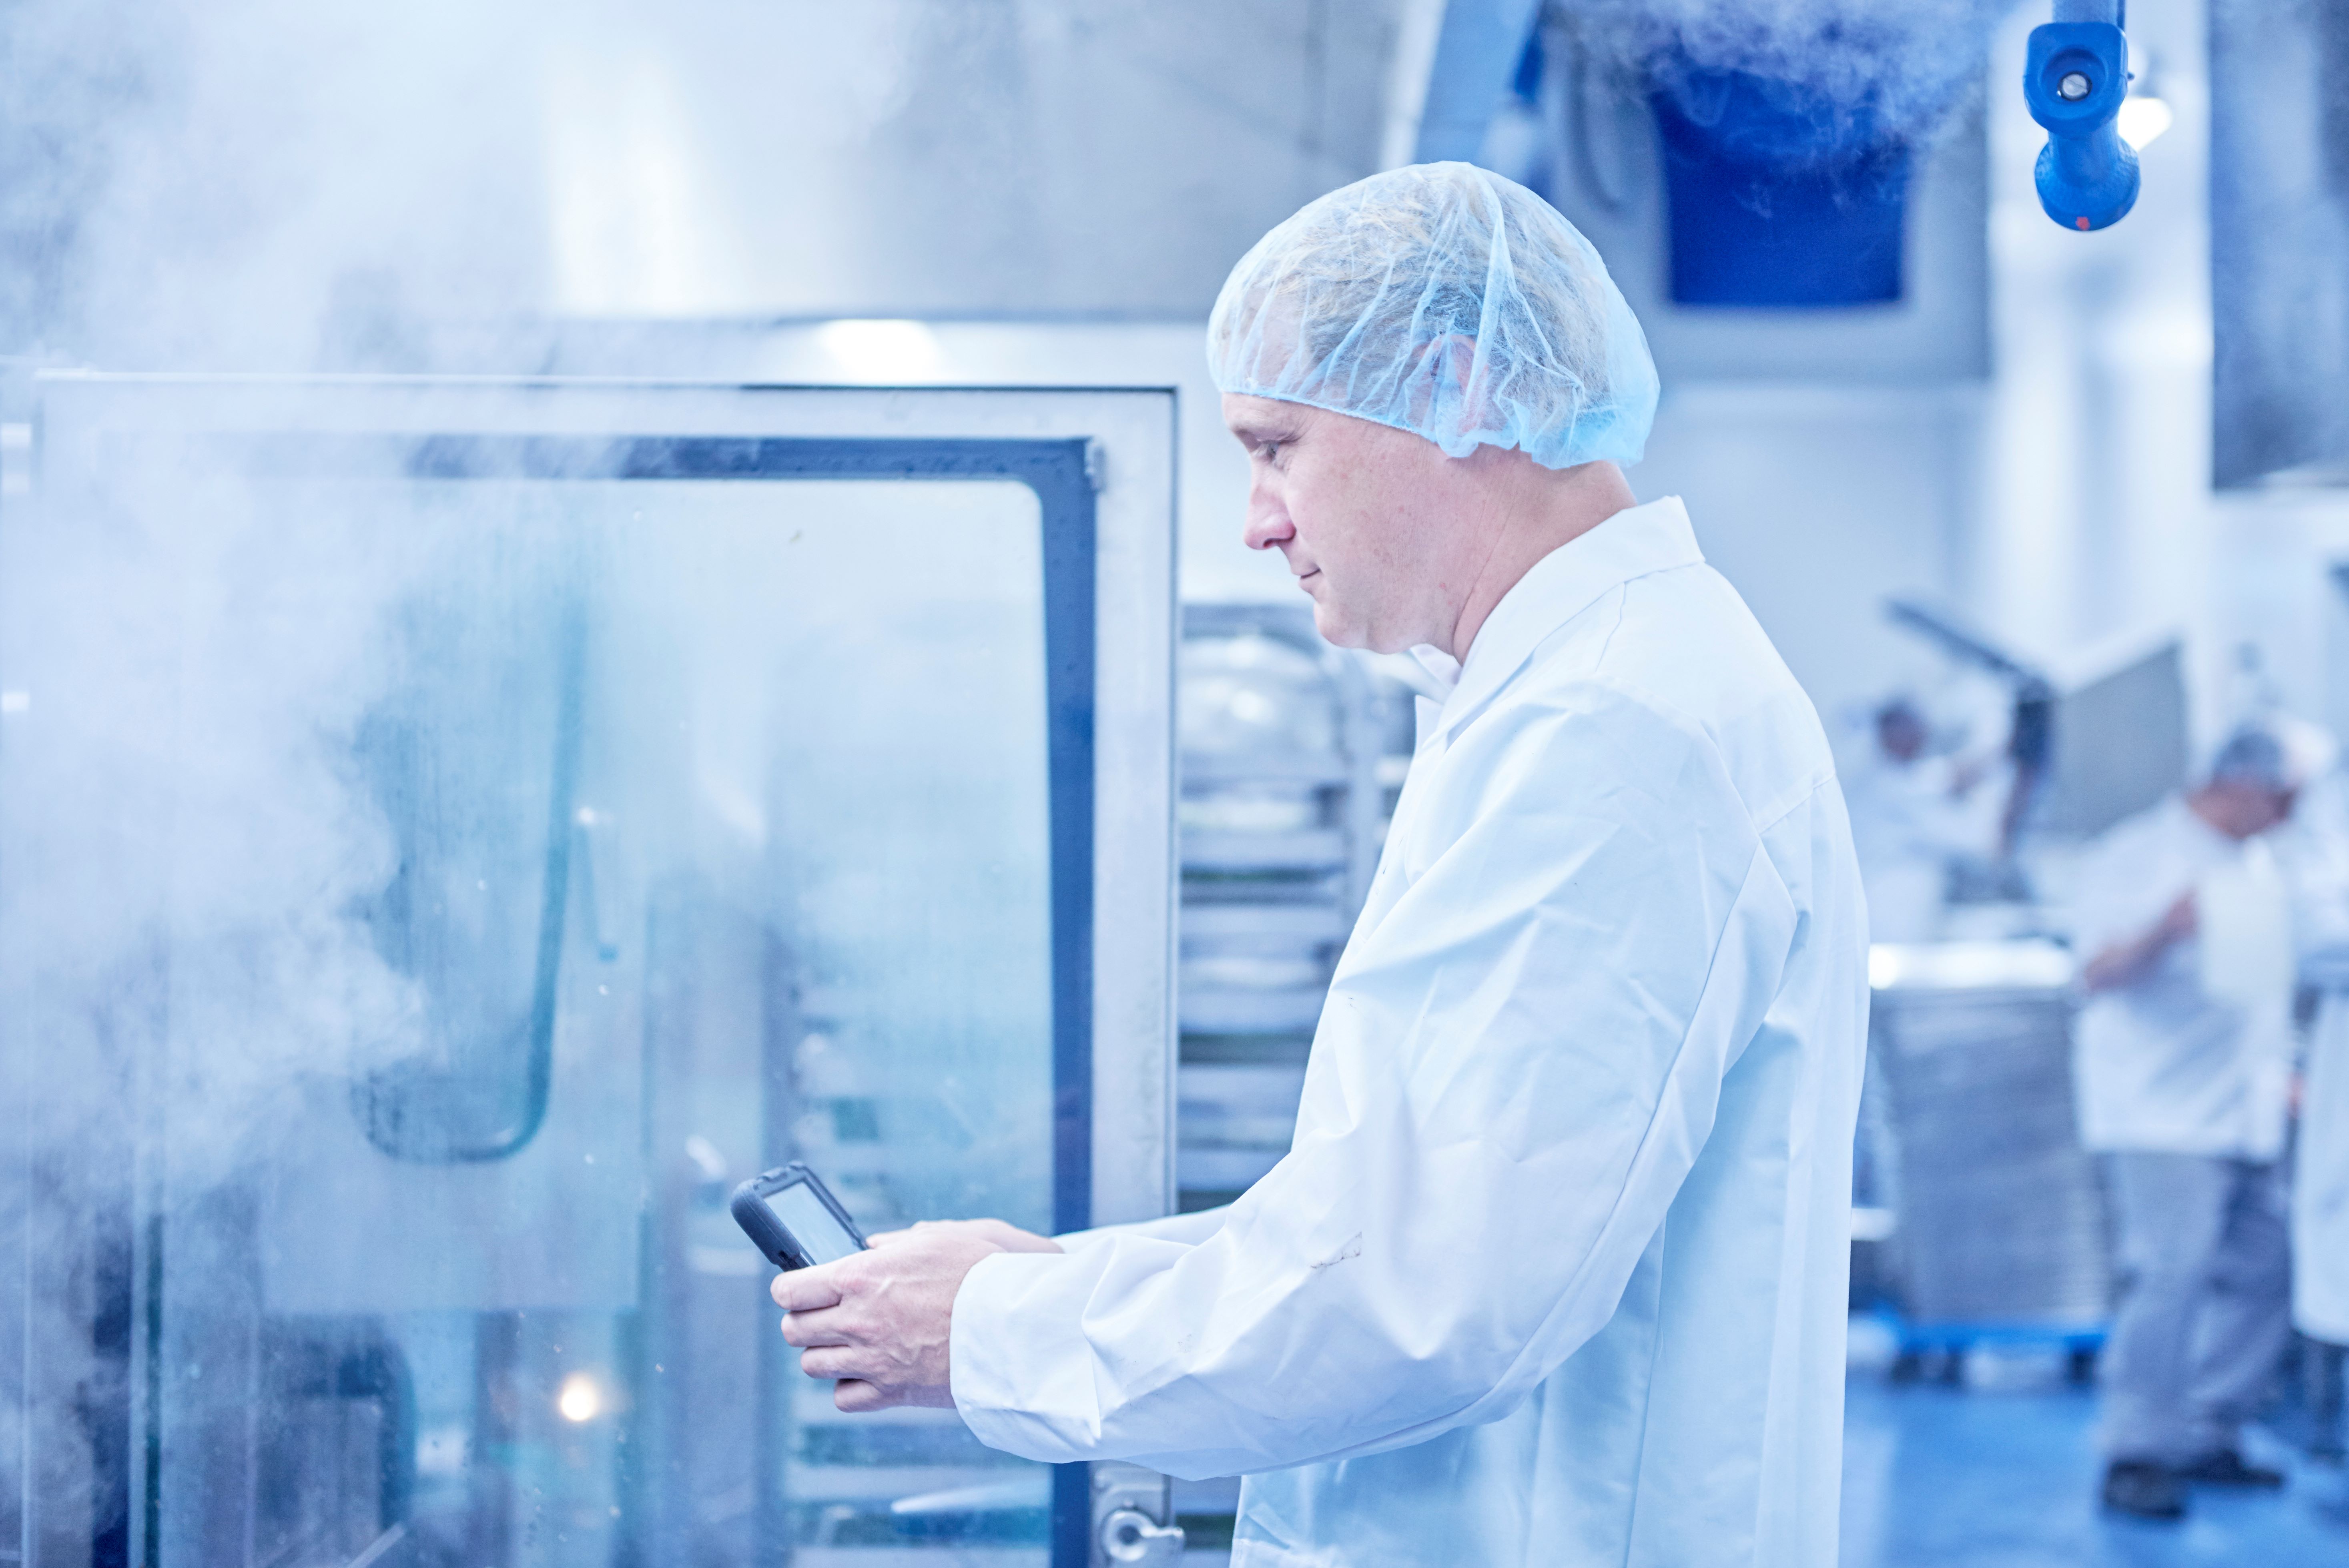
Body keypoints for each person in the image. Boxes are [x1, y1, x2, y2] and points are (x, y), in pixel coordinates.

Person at [769, 163, 1870, 1567]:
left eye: (1276, 444)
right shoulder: (1569, 694)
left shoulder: (1612, 728)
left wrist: (990, 1332)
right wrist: (1059, 1280)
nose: (1258, 519)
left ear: (1456, 386)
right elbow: (1397, 1215)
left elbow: (1430, 1297)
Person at [2072, 720, 2323, 1519]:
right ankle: (2134, 1450)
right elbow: (2093, 972)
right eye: (2283, 799)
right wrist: (2162, 928)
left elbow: (2266, 981)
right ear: (2240, 784)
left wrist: (2287, 1070)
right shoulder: (2136, 853)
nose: (2289, 817)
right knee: (2169, 1276)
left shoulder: (2262, 860)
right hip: (2158, 1111)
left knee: (2265, 1267)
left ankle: (2205, 1429)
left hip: (2246, 1106)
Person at [1841, 694, 2010, 943]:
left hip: (1899, 911)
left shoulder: (1901, 778)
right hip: (1890, 911)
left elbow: (1948, 775)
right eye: (1913, 728)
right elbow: (1978, 841)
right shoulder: (1892, 789)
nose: (1924, 734)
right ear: (1891, 733)